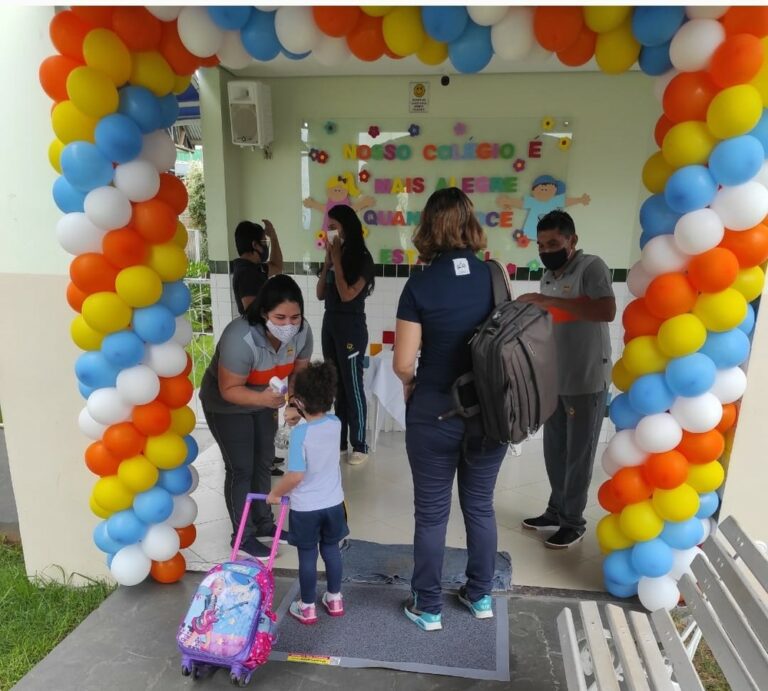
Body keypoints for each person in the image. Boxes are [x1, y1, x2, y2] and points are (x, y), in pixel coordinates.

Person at [393, 187, 508, 632]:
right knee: (480, 505)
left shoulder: (419, 284)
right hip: (490, 414)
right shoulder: (495, 275)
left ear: (428, 228)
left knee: (432, 512)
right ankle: (479, 597)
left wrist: (412, 385)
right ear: (470, 225)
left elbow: (404, 363)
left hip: (434, 414)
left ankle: (428, 607)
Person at [517, 210, 616, 549]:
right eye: (541, 244)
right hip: (556, 377)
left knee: (578, 454)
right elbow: (555, 316)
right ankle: (556, 509)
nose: (546, 250)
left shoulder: (592, 268)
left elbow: (606, 311)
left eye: (554, 243)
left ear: (572, 241)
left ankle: (573, 522)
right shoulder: (548, 274)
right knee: (555, 449)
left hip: (587, 377)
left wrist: (547, 300)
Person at [199, 275, 311, 559]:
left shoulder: (303, 332)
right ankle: (243, 535)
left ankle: (264, 523)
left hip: (264, 400)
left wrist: (294, 403)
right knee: (241, 468)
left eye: (295, 317)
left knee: (263, 462)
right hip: (227, 405)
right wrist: (264, 399)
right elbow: (229, 389)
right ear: (264, 313)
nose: (289, 325)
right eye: (280, 317)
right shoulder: (240, 337)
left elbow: (298, 373)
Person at [267, 361, 349, 625]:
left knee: (307, 556)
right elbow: (319, 422)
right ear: (330, 396)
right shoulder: (335, 423)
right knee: (331, 550)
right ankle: (335, 599)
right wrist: (300, 410)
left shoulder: (300, 434)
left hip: (307, 509)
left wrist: (275, 494)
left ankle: (307, 606)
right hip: (334, 504)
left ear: (299, 401)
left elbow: (295, 475)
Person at [316, 204, 375, 465]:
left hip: (351, 326)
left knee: (352, 386)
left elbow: (347, 294)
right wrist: (328, 262)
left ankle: (359, 444)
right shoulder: (334, 257)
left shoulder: (362, 258)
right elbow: (320, 293)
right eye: (328, 227)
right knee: (334, 384)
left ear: (346, 227)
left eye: (334, 226)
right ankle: (339, 442)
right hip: (330, 323)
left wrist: (338, 261)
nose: (330, 232)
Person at [495, 174, 590, 240]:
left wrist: (580, 200)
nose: (544, 190)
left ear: (555, 190)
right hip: (533, 231)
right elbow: (521, 203)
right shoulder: (532, 201)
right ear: (533, 190)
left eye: (547, 188)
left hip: (551, 232)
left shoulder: (556, 200)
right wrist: (508, 201)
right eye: (541, 188)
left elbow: (566, 201)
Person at [231, 219, 284, 316]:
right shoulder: (247, 273)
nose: (266, 246)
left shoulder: (254, 268)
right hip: (256, 330)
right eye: (264, 241)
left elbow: (277, 266)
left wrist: (273, 237)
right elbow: (253, 313)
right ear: (255, 245)